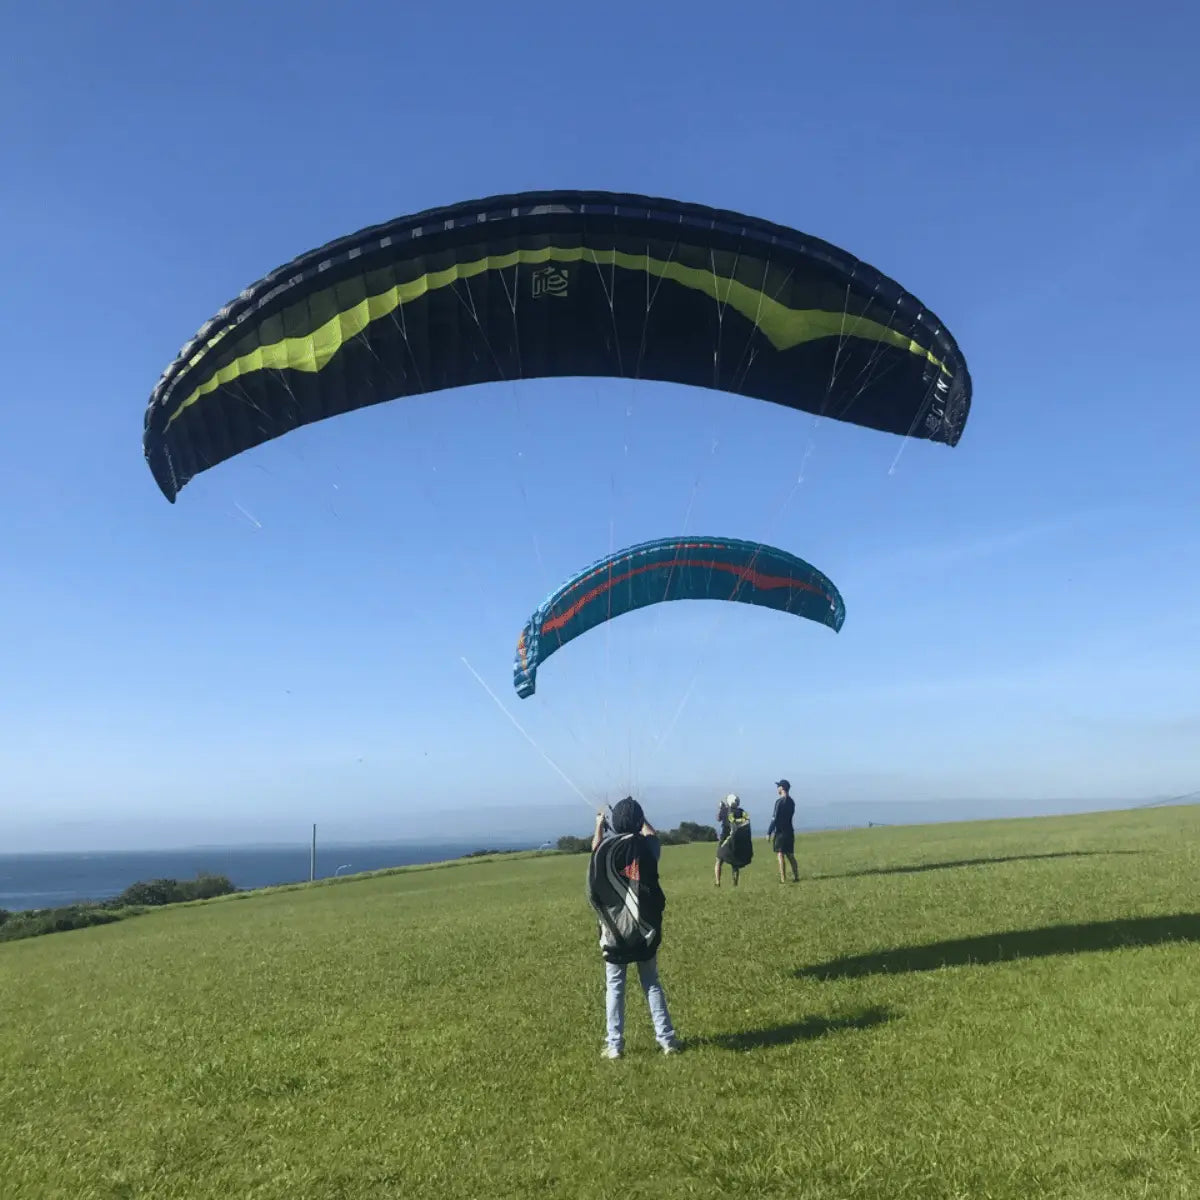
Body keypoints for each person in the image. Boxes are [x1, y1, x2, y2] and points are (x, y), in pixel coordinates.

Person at [588, 796, 680, 1059]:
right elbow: (653, 836)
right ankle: (667, 1040)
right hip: (643, 929)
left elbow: (594, 850)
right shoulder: (646, 847)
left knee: (615, 986)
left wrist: (598, 825)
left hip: (614, 930)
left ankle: (615, 1045)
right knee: (651, 982)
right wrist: (643, 821)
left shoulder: (605, 850)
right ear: (639, 821)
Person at [714, 793, 753, 886]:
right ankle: (735, 883)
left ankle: (717, 882)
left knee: (719, 859)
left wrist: (721, 808)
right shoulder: (741, 811)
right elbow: (747, 820)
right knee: (735, 862)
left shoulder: (724, 810)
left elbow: (718, 818)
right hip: (736, 839)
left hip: (725, 837)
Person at [767, 778, 800, 883]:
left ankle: (783, 878)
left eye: (778, 786)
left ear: (782, 788)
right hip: (790, 831)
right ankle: (796, 876)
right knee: (790, 855)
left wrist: (769, 832)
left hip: (780, 832)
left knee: (780, 854)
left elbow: (774, 818)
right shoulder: (792, 802)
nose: (777, 788)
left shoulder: (779, 802)